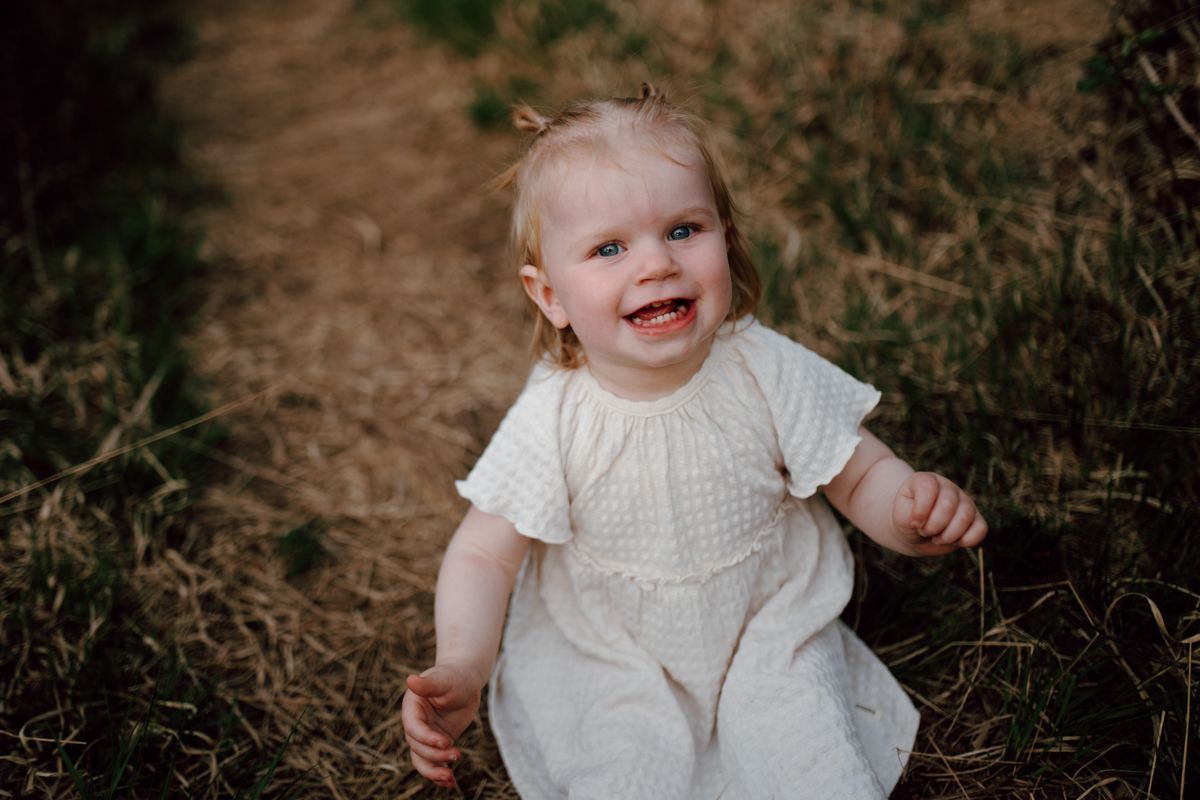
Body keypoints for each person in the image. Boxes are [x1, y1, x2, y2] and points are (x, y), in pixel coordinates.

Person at [401, 84, 987, 798]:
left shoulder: (760, 364)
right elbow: (485, 552)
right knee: (623, 775)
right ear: (549, 293)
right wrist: (462, 661)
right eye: (609, 248)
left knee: (810, 760)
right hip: (610, 653)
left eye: (682, 231)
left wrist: (907, 509)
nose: (655, 264)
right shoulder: (555, 412)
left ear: (726, 238)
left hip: (764, 628)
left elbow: (857, 474)